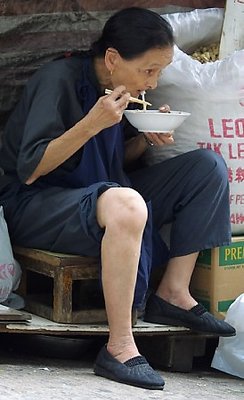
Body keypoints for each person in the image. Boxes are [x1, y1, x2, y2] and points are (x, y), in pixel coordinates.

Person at [0, 7, 235, 390]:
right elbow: (32, 168)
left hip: (98, 196)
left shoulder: (118, 93)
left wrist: (144, 139)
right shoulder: (57, 80)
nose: (153, 82)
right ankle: (120, 346)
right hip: (37, 204)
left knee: (206, 168)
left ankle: (173, 292)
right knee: (125, 203)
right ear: (112, 59)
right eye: (148, 70)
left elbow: (109, 165)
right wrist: (93, 123)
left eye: (160, 71)